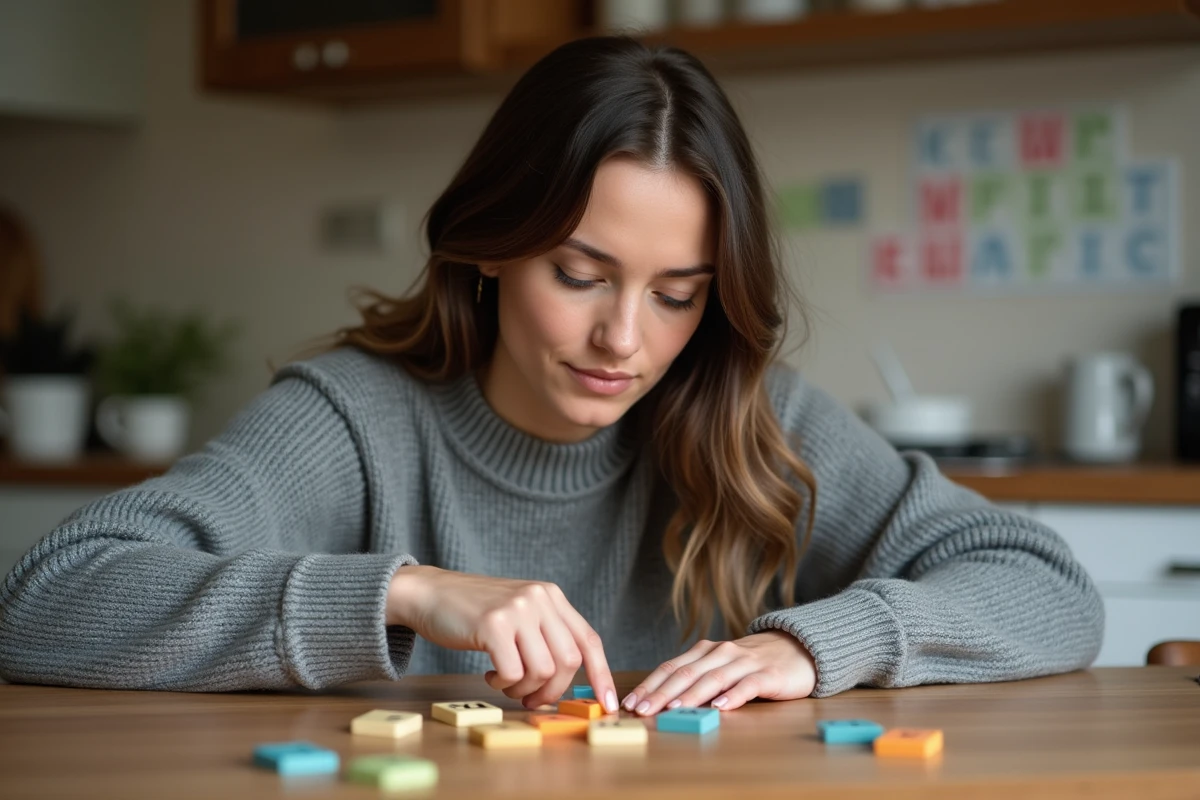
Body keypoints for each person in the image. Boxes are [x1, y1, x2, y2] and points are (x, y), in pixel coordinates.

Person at [0, 36, 1103, 717]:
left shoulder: (750, 422)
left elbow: (1047, 585)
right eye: (580, 273)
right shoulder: (352, 421)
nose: (624, 337)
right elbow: (46, 598)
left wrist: (816, 644)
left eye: (677, 293)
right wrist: (404, 590)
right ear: (491, 242)